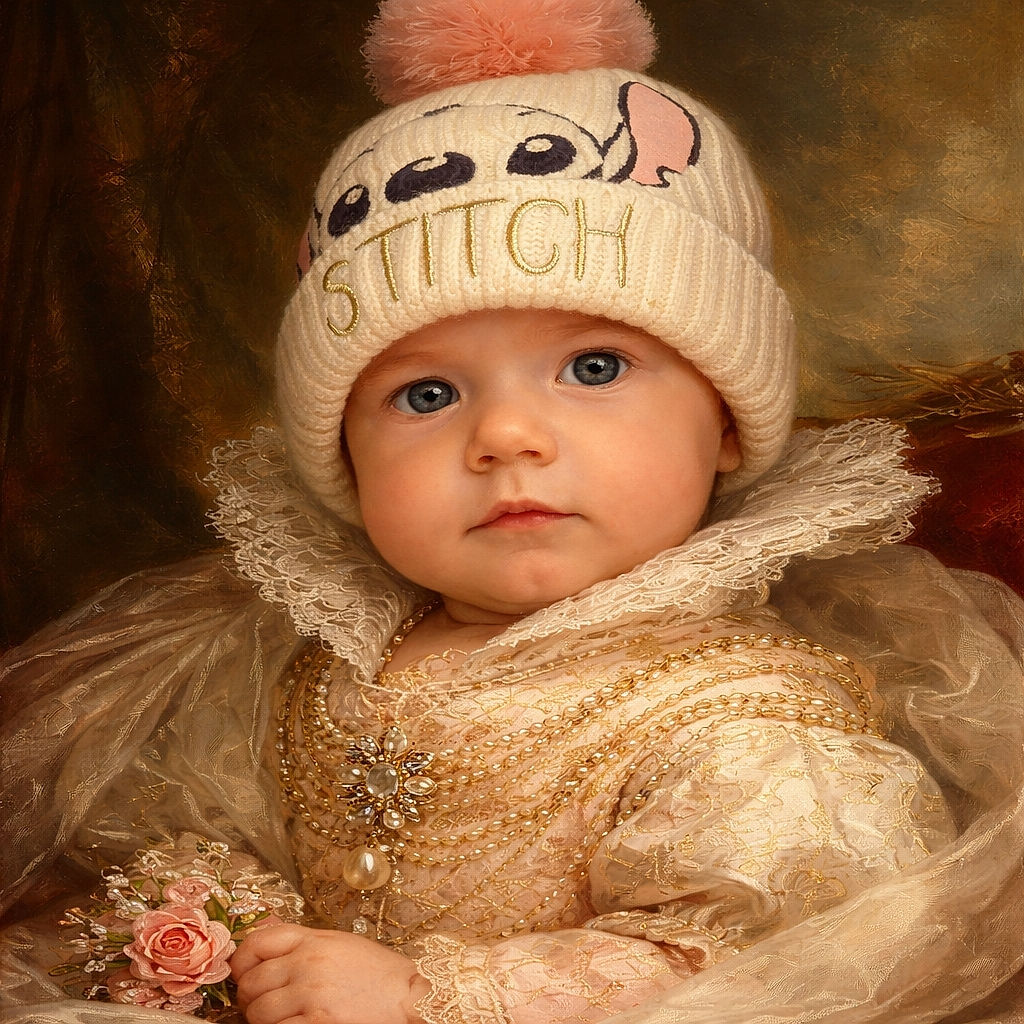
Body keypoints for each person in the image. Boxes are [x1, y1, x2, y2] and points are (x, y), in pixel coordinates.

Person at [2, 1, 1022, 1022]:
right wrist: (229, 920)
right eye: (427, 395)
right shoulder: (303, 654)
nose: (505, 438)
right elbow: (202, 820)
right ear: (346, 460)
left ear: (722, 422)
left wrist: (426, 993)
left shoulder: (746, 724)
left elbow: (782, 973)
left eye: (592, 366)